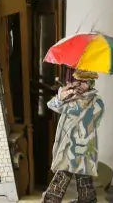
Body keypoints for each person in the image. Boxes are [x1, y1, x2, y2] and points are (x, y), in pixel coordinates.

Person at [41, 70, 105, 203]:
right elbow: (51, 105)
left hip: (82, 145)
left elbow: (93, 119)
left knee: (64, 173)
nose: (80, 84)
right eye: (78, 81)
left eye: (84, 82)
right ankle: (87, 199)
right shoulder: (72, 97)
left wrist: (75, 101)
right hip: (68, 143)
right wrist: (62, 97)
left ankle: (51, 200)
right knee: (83, 175)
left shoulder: (96, 101)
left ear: (91, 83)